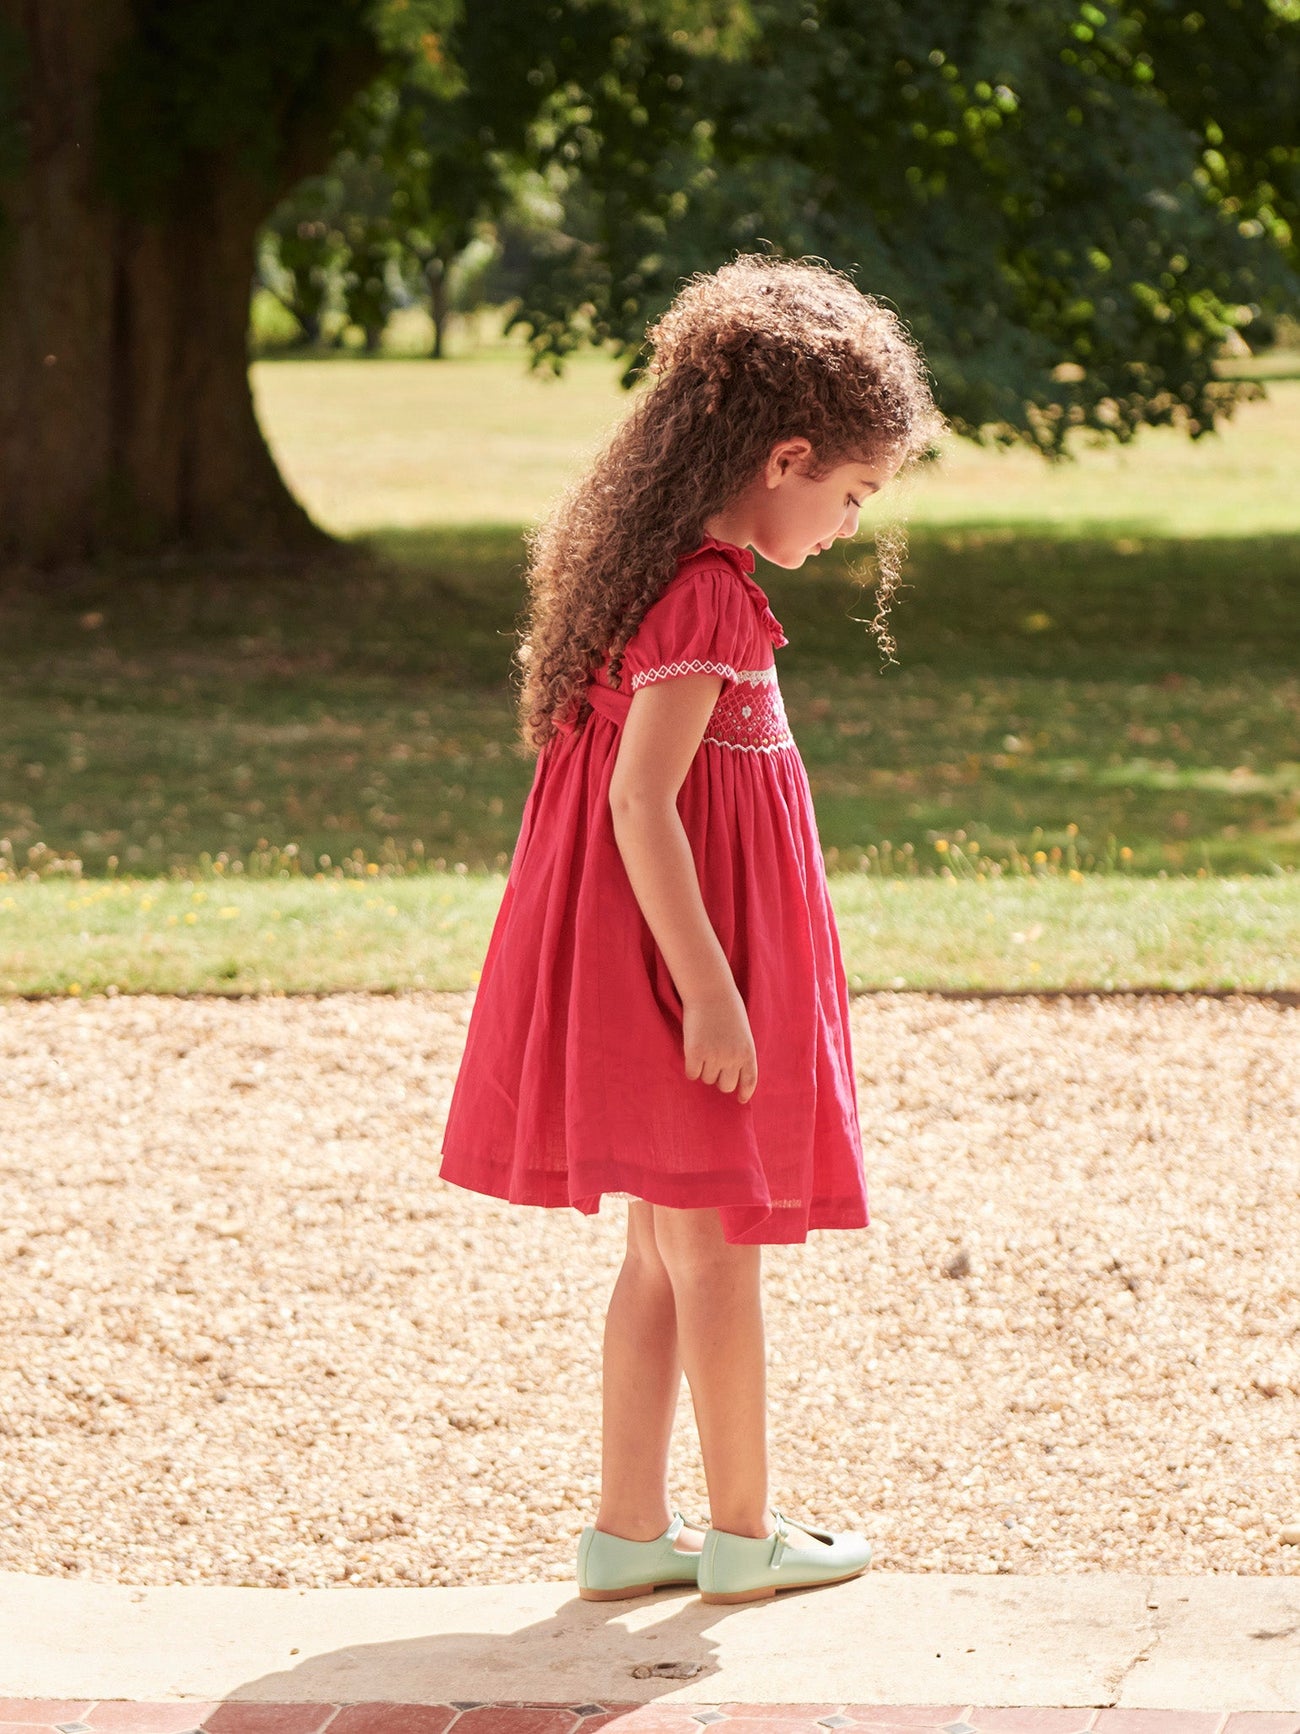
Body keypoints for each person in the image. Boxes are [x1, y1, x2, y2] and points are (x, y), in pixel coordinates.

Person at [439, 254, 945, 1603]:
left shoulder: (654, 570)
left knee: (662, 1250)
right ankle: (739, 1531)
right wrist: (714, 994)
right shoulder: (707, 594)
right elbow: (640, 805)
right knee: (717, 1243)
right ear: (785, 456)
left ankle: (624, 1529)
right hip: (681, 970)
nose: (848, 523)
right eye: (849, 494)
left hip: (654, 959)